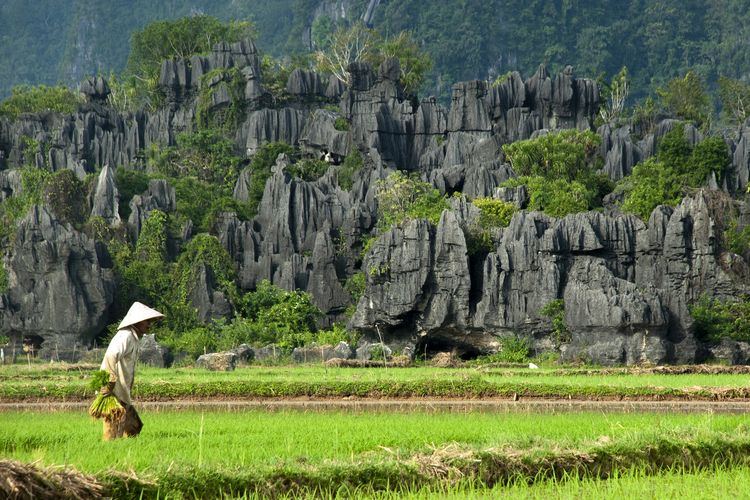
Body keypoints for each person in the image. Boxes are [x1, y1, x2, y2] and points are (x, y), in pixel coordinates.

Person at [100, 301, 164, 440]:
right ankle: (110, 453)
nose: (149, 324)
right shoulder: (125, 336)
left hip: (122, 391)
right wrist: (110, 381)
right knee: (113, 428)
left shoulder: (134, 338)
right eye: (147, 321)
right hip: (114, 390)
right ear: (138, 321)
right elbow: (111, 355)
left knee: (134, 426)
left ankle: (125, 450)